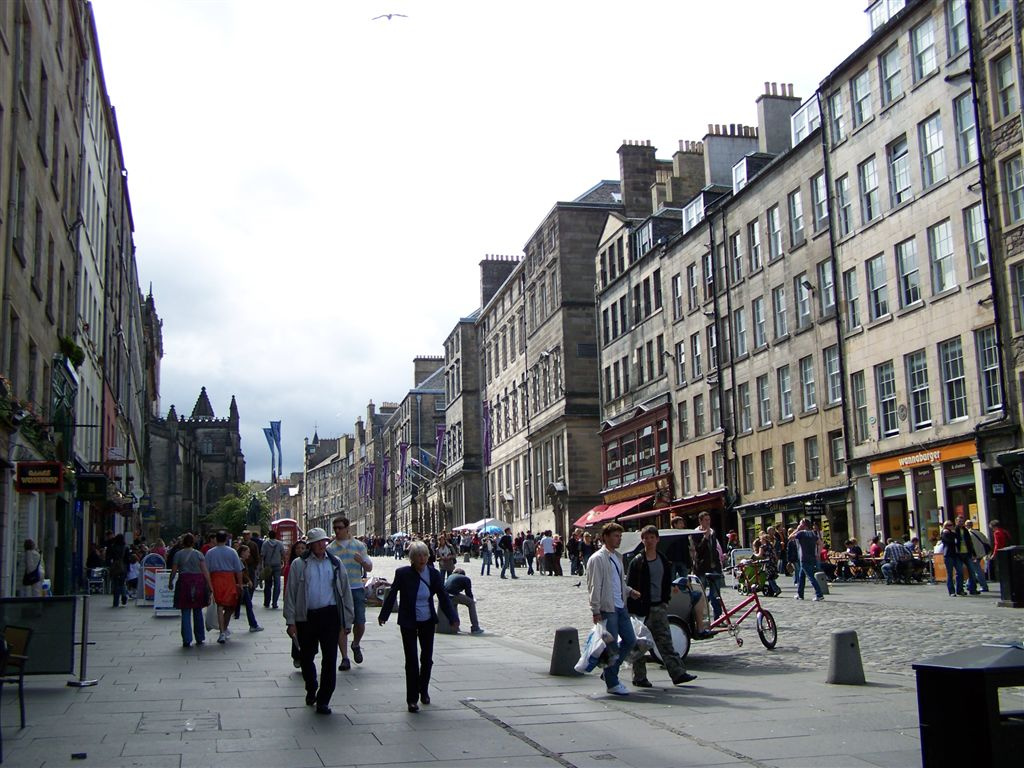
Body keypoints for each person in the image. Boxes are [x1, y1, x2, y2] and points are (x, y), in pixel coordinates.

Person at [379, 541, 459, 712]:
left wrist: (453, 617)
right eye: (418, 556)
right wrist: (384, 615)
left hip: (428, 620)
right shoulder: (403, 573)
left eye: (424, 555)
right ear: (412, 558)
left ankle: (424, 690)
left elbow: (443, 596)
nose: (422, 559)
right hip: (408, 620)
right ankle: (412, 699)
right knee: (412, 660)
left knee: (427, 659)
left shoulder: (433, 573)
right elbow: (392, 593)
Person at [283, 527, 354, 715]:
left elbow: (345, 592)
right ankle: (311, 686)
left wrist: (347, 620)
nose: (322, 545)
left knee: (330, 659)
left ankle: (324, 699)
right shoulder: (300, 564)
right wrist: (290, 621)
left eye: (324, 541)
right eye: (317, 542)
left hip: (330, 615)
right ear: (310, 545)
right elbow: (290, 593)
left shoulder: (335, 563)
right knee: (306, 657)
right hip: (307, 617)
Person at [625, 526, 697, 688]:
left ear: (657, 540)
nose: (649, 541)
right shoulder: (637, 562)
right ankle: (639, 677)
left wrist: (665, 600)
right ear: (642, 540)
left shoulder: (663, 560)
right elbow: (630, 586)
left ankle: (678, 673)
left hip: (659, 607)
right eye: (646, 538)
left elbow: (666, 584)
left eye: (652, 537)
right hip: (642, 609)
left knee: (665, 642)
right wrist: (632, 610)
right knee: (640, 644)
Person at [586, 522, 638, 697]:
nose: (619, 539)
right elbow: (595, 585)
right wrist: (595, 610)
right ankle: (612, 682)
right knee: (612, 646)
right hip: (608, 608)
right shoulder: (597, 558)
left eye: (620, 536)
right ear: (605, 537)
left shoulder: (618, 556)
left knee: (630, 640)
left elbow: (618, 582)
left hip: (621, 606)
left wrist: (629, 591)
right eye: (616, 536)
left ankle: (609, 672)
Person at [327, 516, 372, 671]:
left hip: (356, 588)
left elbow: (369, 568)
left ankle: (356, 643)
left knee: (360, 622)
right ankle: (345, 658)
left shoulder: (359, 545)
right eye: (335, 528)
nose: (337, 531)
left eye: (340, 528)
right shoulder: (330, 549)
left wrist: (362, 562)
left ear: (347, 528)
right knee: (342, 625)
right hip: (339, 591)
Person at [168, 533, 214, 647]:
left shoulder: (178, 554)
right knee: (198, 610)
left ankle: (187, 639)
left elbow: (174, 570)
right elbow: (205, 572)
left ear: (183, 542)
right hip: (198, 582)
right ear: (193, 542)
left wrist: (170, 582)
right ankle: (199, 637)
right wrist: (210, 586)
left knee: (185, 611)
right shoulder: (199, 554)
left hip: (184, 582)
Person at [206, 531, 244, 643]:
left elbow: (206, 570)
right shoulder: (232, 552)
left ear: (216, 539)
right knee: (230, 606)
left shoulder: (210, 552)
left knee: (220, 605)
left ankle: (222, 631)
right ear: (226, 540)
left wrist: (208, 584)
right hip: (229, 579)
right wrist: (240, 584)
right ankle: (224, 628)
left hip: (216, 579)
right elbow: (238, 570)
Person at [694, 511, 727, 617]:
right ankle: (700, 617)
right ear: (700, 521)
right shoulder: (695, 533)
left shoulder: (713, 532)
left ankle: (718, 617)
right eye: (706, 520)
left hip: (714, 567)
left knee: (716, 594)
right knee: (701, 595)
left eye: (709, 520)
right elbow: (698, 550)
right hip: (702, 568)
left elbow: (714, 549)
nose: (708, 522)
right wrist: (705, 537)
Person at [788, 518, 825, 601]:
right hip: (812, 557)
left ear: (803, 525)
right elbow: (821, 543)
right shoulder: (812, 534)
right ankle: (800, 594)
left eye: (800, 524)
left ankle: (819, 594)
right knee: (801, 576)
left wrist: (797, 529)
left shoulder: (801, 533)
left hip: (803, 558)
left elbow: (790, 537)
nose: (799, 525)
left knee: (810, 576)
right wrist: (818, 554)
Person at [444, 569, 485, 634]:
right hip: (453, 594)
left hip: (445, 595)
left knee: (454, 604)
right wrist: (472, 600)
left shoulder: (450, 576)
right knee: (471, 603)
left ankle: (456, 626)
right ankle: (475, 627)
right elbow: (468, 593)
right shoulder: (466, 579)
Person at [235, 544, 265, 632]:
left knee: (244, 605)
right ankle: (253, 625)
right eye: (247, 552)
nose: (249, 554)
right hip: (242, 586)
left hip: (242, 586)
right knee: (246, 605)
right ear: (242, 552)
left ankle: (253, 624)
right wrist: (248, 580)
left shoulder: (240, 561)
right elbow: (242, 573)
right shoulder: (241, 561)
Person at [963, 519, 990, 594]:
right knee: (974, 569)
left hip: (973, 555)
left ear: (966, 526)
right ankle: (969, 584)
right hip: (981, 554)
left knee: (977, 570)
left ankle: (984, 586)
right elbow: (986, 541)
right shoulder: (979, 533)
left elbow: (968, 545)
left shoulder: (968, 534)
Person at [939, 520, 965, 596]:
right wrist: (950, 534)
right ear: (945, 526)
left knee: (960, 572)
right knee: (950, 573)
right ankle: (952, 591)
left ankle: (960, 590)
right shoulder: (944, 533)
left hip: (956, 554)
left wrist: (953, 533)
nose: (951, 526)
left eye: (951, 525)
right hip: (949, 555)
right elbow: (948, 541)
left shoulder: (953, 533)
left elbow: (959, 539)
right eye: (949, 525)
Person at [260, 529, 285, 608]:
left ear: (269, 535)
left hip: (268, 566)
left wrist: (261, 566)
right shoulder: (280, 543)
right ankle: (275, 603)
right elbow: (283, 554)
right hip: (277, 565)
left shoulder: (265, 543)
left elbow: (262, 555)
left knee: (268, 584)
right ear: (275, 535)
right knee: (277, 584)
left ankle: (267, 602)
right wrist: (284, 562)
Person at [106, 533, 131, 607]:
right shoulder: (126, 548)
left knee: (115, 584)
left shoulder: (112, 547)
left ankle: (115, 602)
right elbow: (128, 559)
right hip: (123, 567)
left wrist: (110, 565)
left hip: (115, 567)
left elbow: (108, 558)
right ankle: (124, 596)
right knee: (122, 583)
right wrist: (128, 568)